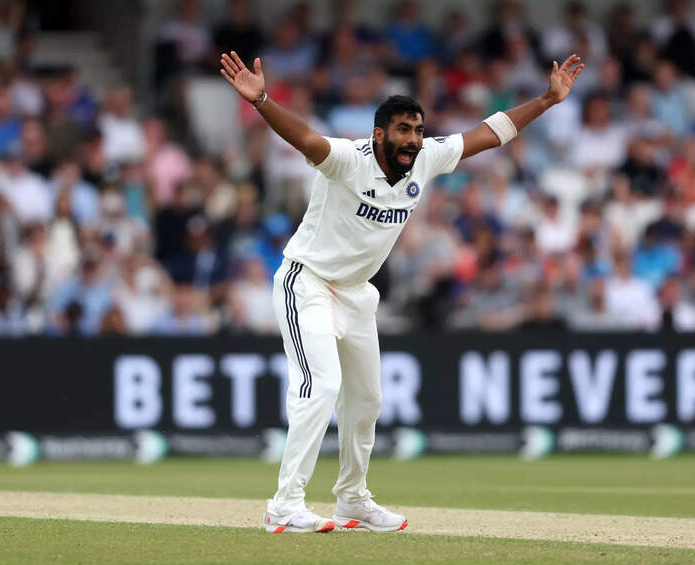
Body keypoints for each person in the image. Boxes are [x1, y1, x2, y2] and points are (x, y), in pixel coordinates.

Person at [218, 49, 585, 533]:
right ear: (379, 134)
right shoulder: (348, 159)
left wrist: (547, 100)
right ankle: (284, 504)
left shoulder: (426, 158)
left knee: (366, 401)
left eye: (418, 130)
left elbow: (489, 133)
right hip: (307, 282)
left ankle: (352, 499)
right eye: (403, 130)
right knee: (320, 386)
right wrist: (262, 100)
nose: (413, 139)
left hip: (356, 293)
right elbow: (306, 138)